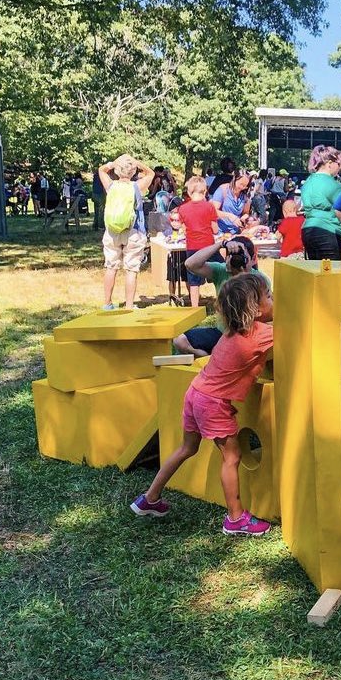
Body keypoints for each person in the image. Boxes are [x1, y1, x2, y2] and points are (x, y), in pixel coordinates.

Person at [130, 274, 274, 536]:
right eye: (269, 297)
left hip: (196, 392)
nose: (273, 301)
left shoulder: (231, 331)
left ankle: (149, 499)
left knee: (187, 447)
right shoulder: (260, 333)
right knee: (232, 457)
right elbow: (301, 333)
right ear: (254, 308)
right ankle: (236, 518)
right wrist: (336, 329)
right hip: (214, 403)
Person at [98, 154, 155, 310]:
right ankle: (129, 305)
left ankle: (108, 303)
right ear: (133, 171)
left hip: (112, 231)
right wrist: (138, 163)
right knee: (131, 269)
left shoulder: (110, 185)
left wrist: (113, 163)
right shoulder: (137, 187)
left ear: (116, 171)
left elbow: (101, 170)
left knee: (111, 267)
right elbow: (151, 174)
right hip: (133, 231)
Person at [178, 176, 220, 308]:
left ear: (189, 192)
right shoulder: (209, 207)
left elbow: (182, 228)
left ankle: (194, 307)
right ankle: (221, 302)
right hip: (208, 246)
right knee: (219, 272)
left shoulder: (182, 209)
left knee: (193, 280)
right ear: (205, 191)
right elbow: (215, 229)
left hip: (192, 246)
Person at [301, 145, 341, 260]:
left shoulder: (308, 181)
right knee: (330, 271)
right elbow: (340, 208)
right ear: (330, 163)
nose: (340, 168)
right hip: (328, 230)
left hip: (308, 229)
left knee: (314, 271)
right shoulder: (333, 184)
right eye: (339, 164)